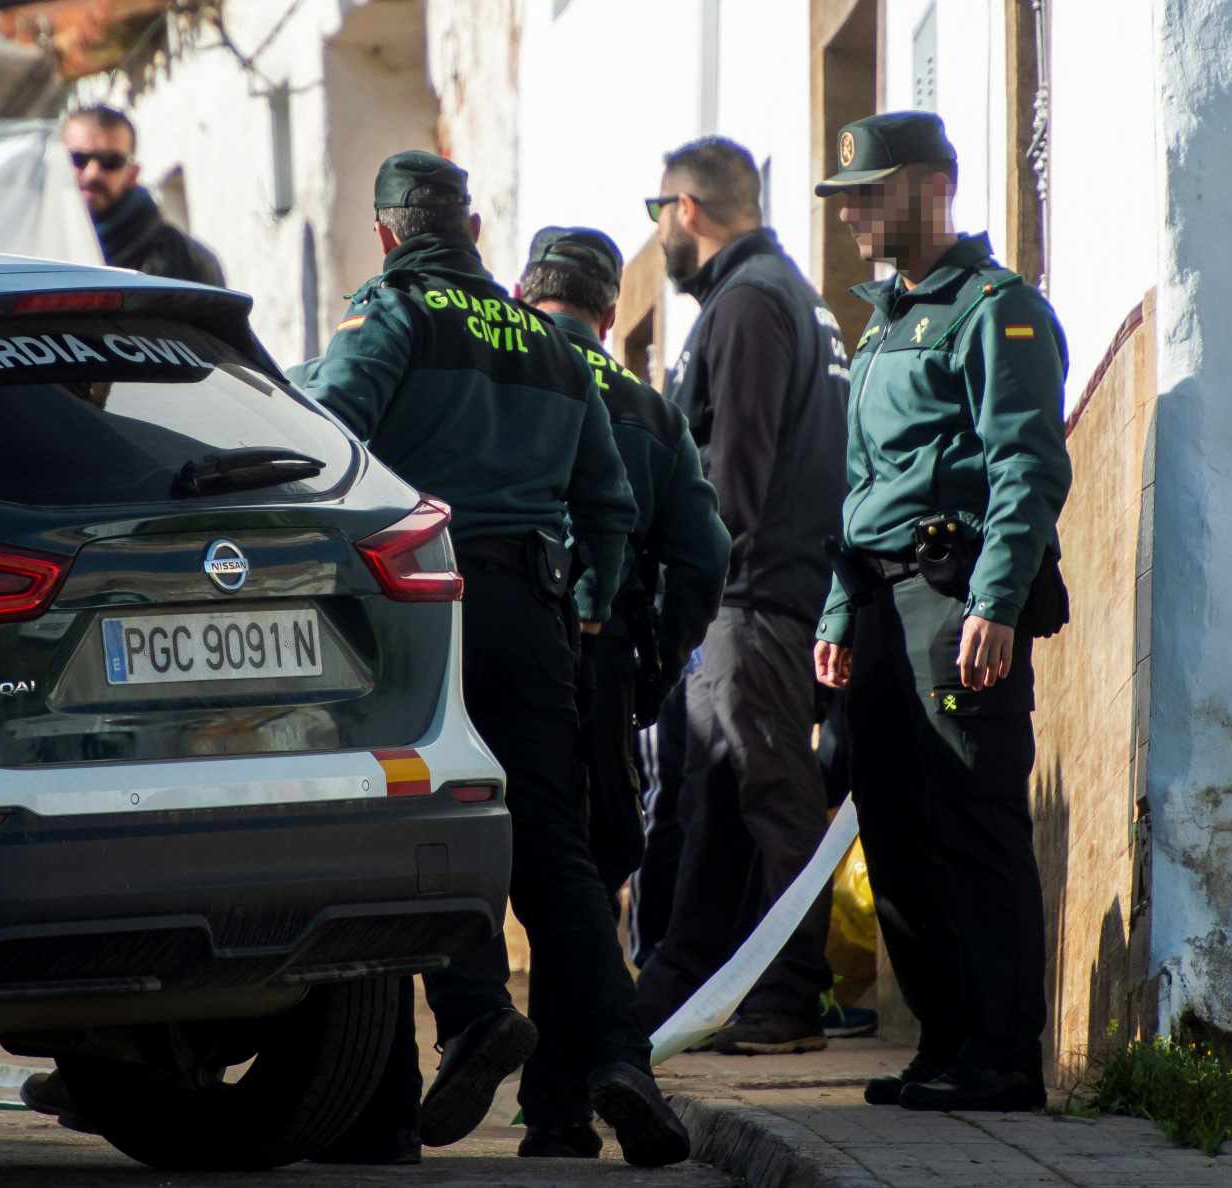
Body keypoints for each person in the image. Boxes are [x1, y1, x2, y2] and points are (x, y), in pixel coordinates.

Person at [297, 151, 690, 1167]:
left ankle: (473, 1018)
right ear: (472, 227)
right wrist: (594, 612)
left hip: (418, 603)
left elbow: (330, 436)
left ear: (389, 233)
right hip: (531, 611)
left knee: (423, 820)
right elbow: (608, 501)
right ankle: (621, 1059)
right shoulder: (555, 350)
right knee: (554, 849)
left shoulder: (393, 313)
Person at [813, 110, 1072, 1111]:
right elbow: (863, 482)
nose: (851, 217)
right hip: (880, 603)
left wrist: (998, 601)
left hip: (952, 595)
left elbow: (1025, 464)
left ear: (930, 188)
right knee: (896, 828)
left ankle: (1002, 1057)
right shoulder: (884, 322)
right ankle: (944, 1044)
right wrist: (840, 611)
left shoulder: (995, 311)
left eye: (868, 195)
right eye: (845, 200)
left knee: (974, 820)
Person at [633, 136, 849, 1056]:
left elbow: (736, 467)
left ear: (688, 209)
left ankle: (791, 992)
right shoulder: (779, 295)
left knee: (769, 791)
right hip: (757, 598)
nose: (660, 239)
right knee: (712, 802)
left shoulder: (751, 302)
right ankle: (695, 989)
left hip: (750, 597)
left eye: (660, 216)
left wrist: (695, 581)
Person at [514, 224, 729, 924]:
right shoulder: (654, 415)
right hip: (602, 654)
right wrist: (657, 670)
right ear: (609, 319)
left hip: (496, 640)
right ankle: (577, 1021)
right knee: (591, 855)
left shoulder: (494, 383)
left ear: (520, 296)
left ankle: (477, 1020)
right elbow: (704, 558)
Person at [63, 105, 226, 287]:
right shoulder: (30, 248)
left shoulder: (188, 261)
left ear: (133, 174)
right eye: (77, 159)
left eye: (111, 162)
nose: (92, 173)